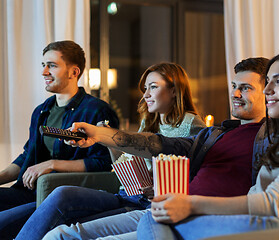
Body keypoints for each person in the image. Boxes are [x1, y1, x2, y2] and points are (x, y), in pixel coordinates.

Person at [134, 50, 279, 240]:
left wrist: (191, 204)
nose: (267, 89)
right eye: (267, 81)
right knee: (154, 217)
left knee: (153, 219)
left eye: (277, 81)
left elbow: (276, 203)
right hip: (268, 222)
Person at [41, 57, 269, 240]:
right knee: (60, 234)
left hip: (187, 214)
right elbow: (160, 145)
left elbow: (268, 199)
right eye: (234, 87)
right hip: (159, 208)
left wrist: (185, 202)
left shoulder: (273, 138)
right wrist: (99, 134)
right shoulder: (215, 133)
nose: (235, 94)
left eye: (246, 88)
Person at [15, 62, 206, 240]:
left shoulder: (192, 124)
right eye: (145, 88)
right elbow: (125, 161)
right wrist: (106, 140)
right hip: (127, 194)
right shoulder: (148, 122)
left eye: (153, 87)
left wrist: (161, 188)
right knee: (62, 193)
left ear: (174, 90)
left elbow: (202, 173)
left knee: (67, 230)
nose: (145, 94)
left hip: (146, 204)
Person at [0, 40, 119, 239]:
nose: (44, 72)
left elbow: (104, 163)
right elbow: (27, 156)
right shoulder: (42, 111)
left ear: (74, 72)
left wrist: (52, 164)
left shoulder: (97, 110)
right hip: (29, 191)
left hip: (59, 196)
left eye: (52, 66)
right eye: (43, 65)